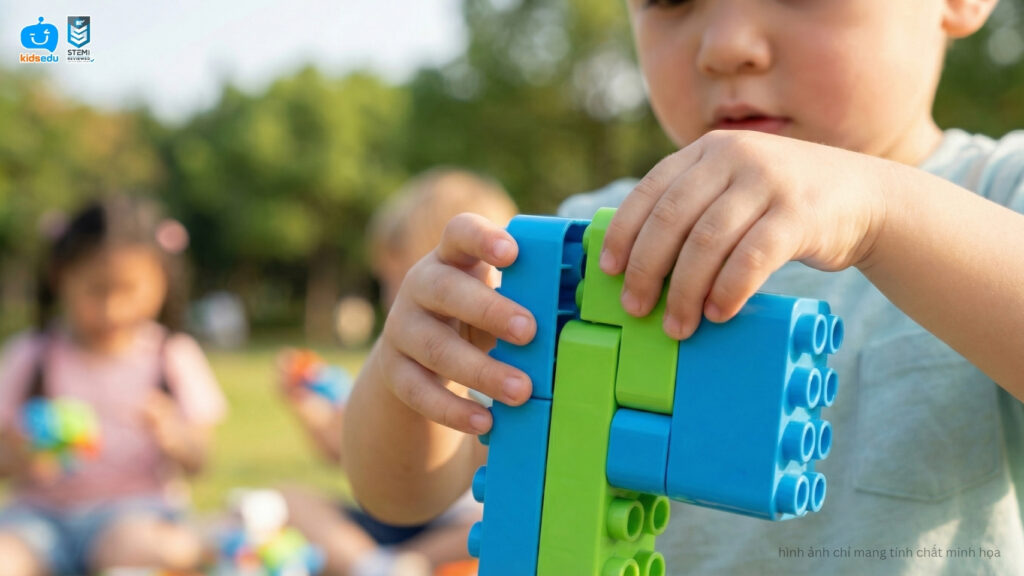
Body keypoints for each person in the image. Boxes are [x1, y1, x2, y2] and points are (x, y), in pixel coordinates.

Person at [342, 1, 1024, 573]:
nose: (725, 47)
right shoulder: (595, 242)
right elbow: (402, 498)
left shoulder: (995, 198)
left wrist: (881, 212)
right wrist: (416, 373)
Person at [277, 168, 517, 576]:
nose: (389, 297)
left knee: (497, 525)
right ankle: (377, 565)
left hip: (461, 522)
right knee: (288, 500)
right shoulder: (391, 361)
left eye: (393, 279)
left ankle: (403, 563)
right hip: (391, 512)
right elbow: (352, 456)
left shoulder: (497, 366)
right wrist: (311, 413)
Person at [0, 196, 228, 576]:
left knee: (150, 550)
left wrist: (173, 433)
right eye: (95, 290)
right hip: (38, 519)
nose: (112, 308)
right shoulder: (31, 354)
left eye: (130, 290)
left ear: (162, 282)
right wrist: (23, 453)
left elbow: (200, 460)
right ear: (61, 277)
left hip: (136, 512)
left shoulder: (172, 356)